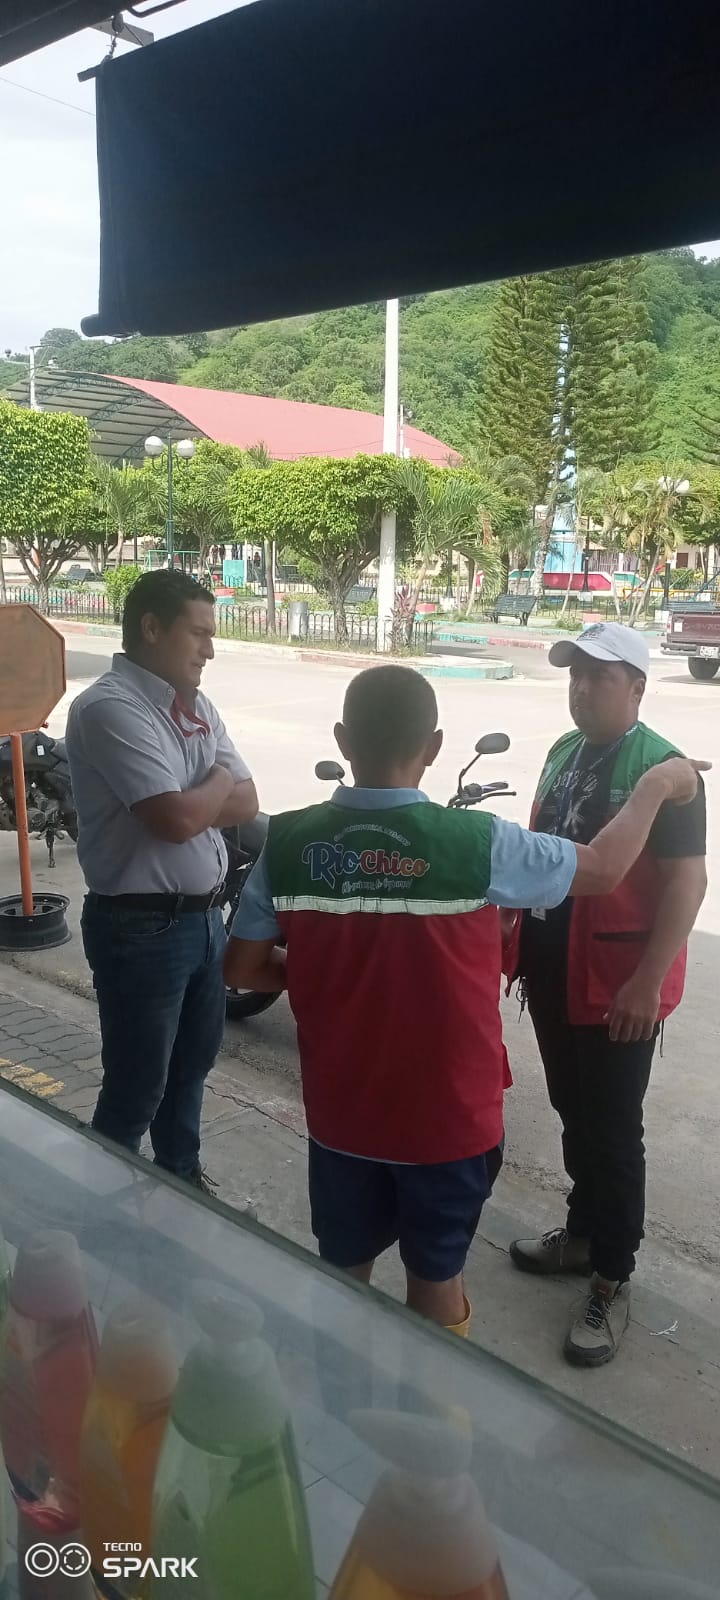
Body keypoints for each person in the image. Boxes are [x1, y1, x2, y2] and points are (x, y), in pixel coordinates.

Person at [224, 664, 705, 1337]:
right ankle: (430, 1399)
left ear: (342, 739)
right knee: (437, 1284)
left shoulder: (289, 841)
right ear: (434, 747)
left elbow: (242, 967)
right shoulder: (481, 843)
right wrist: (656, 785)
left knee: (342, 1273)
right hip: (448, 1124)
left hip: (341, 1119)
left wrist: (325, 976)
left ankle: (335, 1383)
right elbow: (601, 869)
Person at [505, 622, 707, 1367]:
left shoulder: (667, 770)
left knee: (615, 1132)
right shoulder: (565, 750)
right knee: (573, 1111)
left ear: (638, 688)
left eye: (600, 677)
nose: (583, 689)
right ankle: (584, 1233)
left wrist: (647, 982)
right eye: (575, 675)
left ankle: (612, 1277)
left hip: (617, 984)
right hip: (553, 970)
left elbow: (688, 883)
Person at [66, 570, 258, 1190]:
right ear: (152, 628)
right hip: (141, 928)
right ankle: (99, 1212)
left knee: (190, 1070)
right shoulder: (110, 708)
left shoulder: (196, 705)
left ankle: (180, 1181)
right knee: (136, 1087)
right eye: (198, 633)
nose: (210, 650)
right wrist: (217, 782)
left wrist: (205, 796)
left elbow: (248, 802)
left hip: (203, 921)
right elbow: (174, 819)